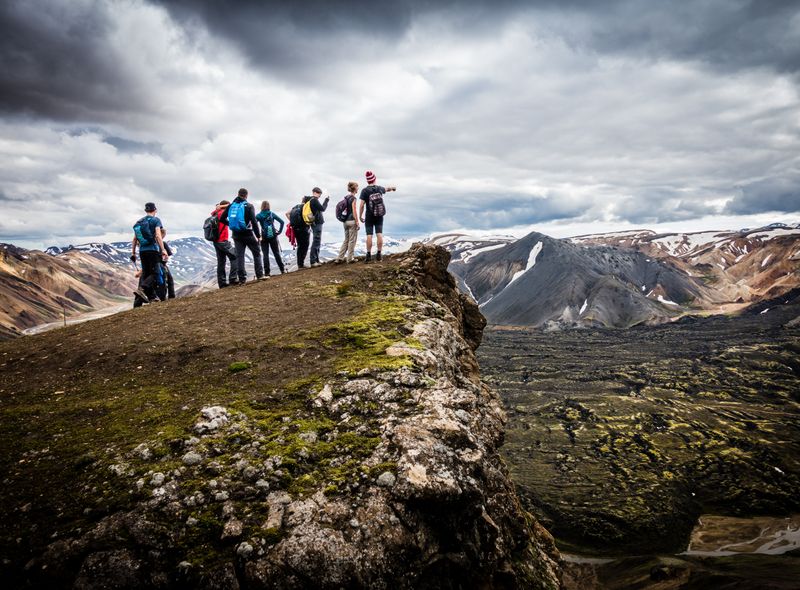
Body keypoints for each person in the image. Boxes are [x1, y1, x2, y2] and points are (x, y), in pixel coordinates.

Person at [221, 188, 265, 282]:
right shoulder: (249, 206)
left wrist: (232, 225)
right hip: (248, 234)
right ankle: (260, 275)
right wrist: (258, 235)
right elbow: (254, 222)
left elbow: (221, 219)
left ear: (238, 194)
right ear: (246, 195)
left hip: (236, 235)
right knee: (256, 253)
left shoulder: (231, 206)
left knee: (240, 256)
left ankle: (242, 279)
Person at [131, 202, 168, 304]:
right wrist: (163, 249)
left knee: (146, 274)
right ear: (155, 210)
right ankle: (142, 289)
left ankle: (152, 297)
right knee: (156, 273)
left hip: (142, 251)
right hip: (152, 249)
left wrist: (133, 253)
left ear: (146, 210)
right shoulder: (156, 220)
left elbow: (134, 239)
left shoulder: (139, 222)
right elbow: (157, 235)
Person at [358, 170, 396, 262]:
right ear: (374, 179)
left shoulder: (364, 191)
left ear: (367, 181)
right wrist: (393, 188)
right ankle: (379, 254)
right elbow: (387, 189)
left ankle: (368, 255)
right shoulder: (379, 188)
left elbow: (362, 205)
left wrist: (360, 216)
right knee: (379, 234)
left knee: (369, 235)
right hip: (379, 215)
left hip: (369, 215)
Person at [211, 200, 238, 288]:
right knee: (234, 257)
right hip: (223, 240)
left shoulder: (215, 214)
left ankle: (222, 283)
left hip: (216, 241)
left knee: (221, 262)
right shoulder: (222, 213)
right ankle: (233, 279)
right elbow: (231, 206)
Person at [256, 201, 286, 275]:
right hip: (272, 235)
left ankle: (267, 273)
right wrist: (279, 232)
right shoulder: (272, 214)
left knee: (265, 254)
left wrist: (258, 235)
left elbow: (254, 224)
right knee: (276, 253)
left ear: (262, 206)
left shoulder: (259, 215)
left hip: (263, 236)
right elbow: (282, 222)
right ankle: (282, 270)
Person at [335, 181, 360, 264]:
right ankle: (350, 258)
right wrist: (357, 221)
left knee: (346, 240)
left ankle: (339, 258)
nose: (358, 188)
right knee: (352, 240)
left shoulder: (346, 198)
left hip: (345, 222)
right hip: (352, 221)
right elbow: (354, 210)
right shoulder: (353, 198)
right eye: (357, 187)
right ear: (355, 189)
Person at [287, 197, 311, 269]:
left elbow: (287, 213)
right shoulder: (305, 207)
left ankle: (299, 264)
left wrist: (291, 221)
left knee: (299, 246)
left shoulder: (295, 207)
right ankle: (301, 264)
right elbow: (309, 217)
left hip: (295, 229)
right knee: (305, 245)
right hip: (303, 228)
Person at [308, 187, 330, 267]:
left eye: (320, 194)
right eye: (318, 193)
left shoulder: (312, 200)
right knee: (316, 241)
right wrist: (326, 200)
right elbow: (323, 209)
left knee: (317, 241)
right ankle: (313, 261)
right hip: (317, 223)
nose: (319, 195)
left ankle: (316, 260)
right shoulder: (314, 200)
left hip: (315, 223)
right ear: (314, 192)